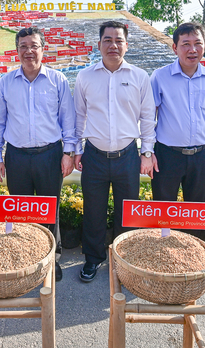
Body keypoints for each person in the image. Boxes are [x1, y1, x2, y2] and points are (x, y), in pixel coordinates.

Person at [0, 26, 77, 282]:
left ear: (43, 48)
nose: (29, 51)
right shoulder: (6, 82)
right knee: (21, 210)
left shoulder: (58, 80)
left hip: (50, 154)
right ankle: (28, 257)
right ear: (17, 51)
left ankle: (52, 259)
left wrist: (68, 152)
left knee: (50, 209)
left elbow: (68, 120)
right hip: (16, 156)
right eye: (23, 46)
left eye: (34, 46)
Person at [73, 20, 156, 282]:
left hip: (128, 155)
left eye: (118, 40)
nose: (113, 45)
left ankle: (123, 260)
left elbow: (147, 117)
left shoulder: (140, 77)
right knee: (94, 210)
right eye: (107, 40)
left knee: (127, 211)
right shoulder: (85, 76)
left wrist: (147, 152)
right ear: (98, 45)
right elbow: (78, 116)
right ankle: (93, 259)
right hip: (94, 156)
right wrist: (75, 149)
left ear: (127, 46)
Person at [150, 23, 205, 209]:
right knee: (164, 213)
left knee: (195, 212)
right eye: (185, 44)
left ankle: (193, 240)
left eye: (198, 43)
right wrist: (148, 152)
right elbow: (150, 117)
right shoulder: (159, 77)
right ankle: (164, 240)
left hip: (202, 156)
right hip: (167, 155)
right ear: (175, 48)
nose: (192, 50)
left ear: (204, 46)